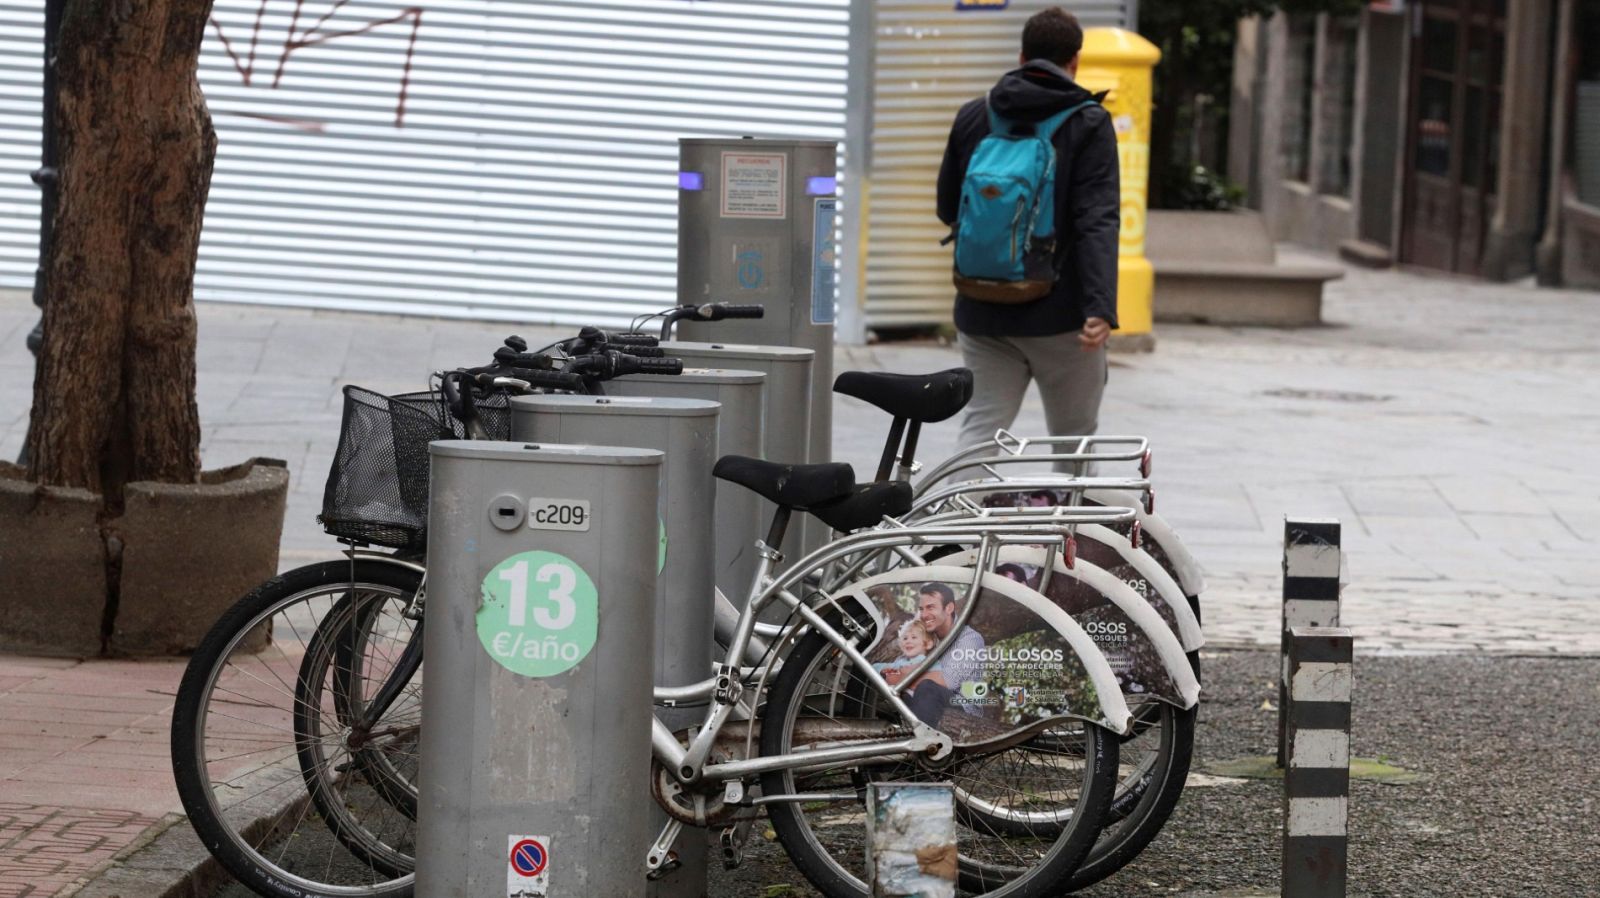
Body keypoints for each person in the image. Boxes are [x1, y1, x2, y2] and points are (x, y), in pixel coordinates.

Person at [936, 6, 1121, 454]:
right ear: (1074, 61)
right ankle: (1071, 527)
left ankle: (964, 522)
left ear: (1021, 56)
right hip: (1063, 318)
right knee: (1073, 444)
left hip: (982, 311)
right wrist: (1100, 307)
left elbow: (947, 208)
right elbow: (1097, 218)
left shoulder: (974, 115)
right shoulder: (1089, 122)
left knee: (979, 436)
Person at [902, 582, 988, 725]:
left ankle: (919, 743)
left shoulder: (970, 639)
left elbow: (948, 682)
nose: (924, 615)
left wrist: (902, 676)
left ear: (949, 608)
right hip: (928, 698)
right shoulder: (929, 638)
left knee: (927, 687)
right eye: (921, 609)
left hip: (964, 706)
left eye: (930, 607)